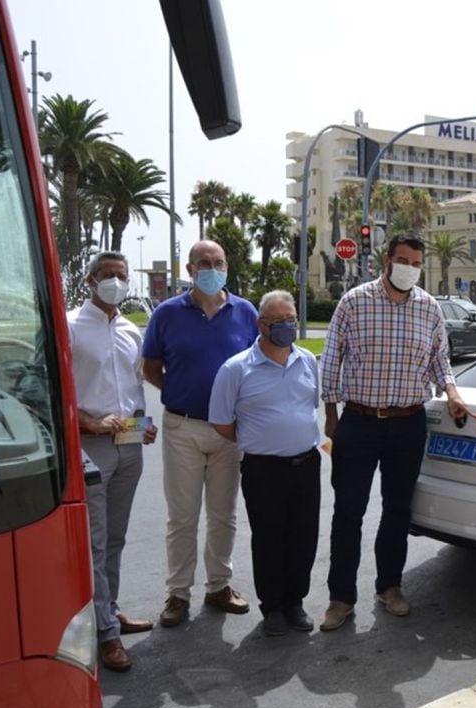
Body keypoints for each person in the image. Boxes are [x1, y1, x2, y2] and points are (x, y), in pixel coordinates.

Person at [319, 235, 469, 631]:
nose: (409, 267)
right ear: (386, 260)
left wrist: (451, 393)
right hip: (359, 420)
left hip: (407, 423)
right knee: (348, 511)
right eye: (402, 260)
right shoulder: (354, 302)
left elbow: (441, 360)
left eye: (416, 262)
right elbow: (332, 358)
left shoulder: (429, 308)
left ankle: (390, 586)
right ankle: (341, 597)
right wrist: (331, 417)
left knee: (397, 510)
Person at [142, 240, 259, 627]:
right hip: (183, 427)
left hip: (229, 431)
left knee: (224, 516)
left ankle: (219, 586)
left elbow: (255, 369)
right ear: (190, 270)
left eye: (219, 262)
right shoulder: (166, 314)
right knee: (182, 517)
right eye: (204, 263)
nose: (212, 268)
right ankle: (177, 594)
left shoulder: (245, 312)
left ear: (228, 266)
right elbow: (152, 368)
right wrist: (181, 393)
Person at [208, 291, 321, 636]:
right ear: (261, 325)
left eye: (291, 319)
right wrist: (259, 441)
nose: (286, 326)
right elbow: (222, 422)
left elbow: (311, 405)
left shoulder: (307, 361)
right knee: (269, 538)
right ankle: (272, 607)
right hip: (263, 469)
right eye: (277, 321)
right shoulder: (236, 368)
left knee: (303, 537)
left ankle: (294, 602)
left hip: (306, 465)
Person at [67, 252, 158, 671]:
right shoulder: (69, 326)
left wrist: (144, 425)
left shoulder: (128, 328)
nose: (117, 283)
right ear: (90, 280)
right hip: (91, 446)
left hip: (129, 444)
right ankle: (106, 634)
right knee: (97, 543)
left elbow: (134, 389)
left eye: (122, 276)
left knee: (116, 539)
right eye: (109, 276)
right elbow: (60, 393)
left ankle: (110, 610)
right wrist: (87, 420)